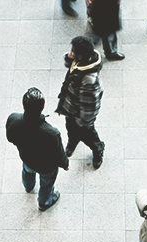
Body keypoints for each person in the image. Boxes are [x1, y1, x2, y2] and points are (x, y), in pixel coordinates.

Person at [6, 88, 69, 211]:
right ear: (43, 106)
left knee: (27, 172)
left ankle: (28, 187)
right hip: (46, 167)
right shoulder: (51, 133)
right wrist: (65, 164)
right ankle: (44, 202)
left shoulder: (13, 119)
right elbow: (58, 154)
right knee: (46, 185)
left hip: (27, 158)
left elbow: (10, 138)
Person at [56, 36, 105, 169]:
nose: (70, 53)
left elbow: (90, 105)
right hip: (71, 107)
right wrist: (70, 58)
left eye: (73, 51)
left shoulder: (89, 79)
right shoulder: (81, 62)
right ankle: (73, 141)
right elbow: (71, 66)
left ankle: (98, 149)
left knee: (88, 135)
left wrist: (82, 122)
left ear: (81, 56)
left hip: (82, 116)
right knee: (70, 128)